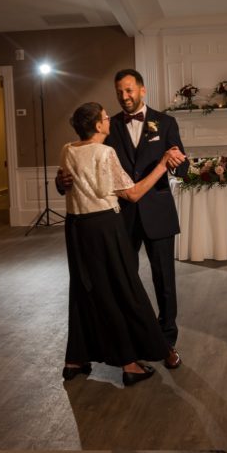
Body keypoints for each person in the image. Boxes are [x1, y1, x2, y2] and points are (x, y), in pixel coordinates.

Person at [58, 70, 186, 365]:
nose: (124, 97)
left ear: (143, 90)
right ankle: (130, 342)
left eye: (129, 91)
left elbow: (180, 165)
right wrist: (61, 182)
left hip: (158, 214)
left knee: (164, 282)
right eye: (119, 92)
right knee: (121, 282)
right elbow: (79, 167)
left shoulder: (166, 122)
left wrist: (177, 163)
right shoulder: (107, 125)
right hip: (119, 218)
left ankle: (166, 342)